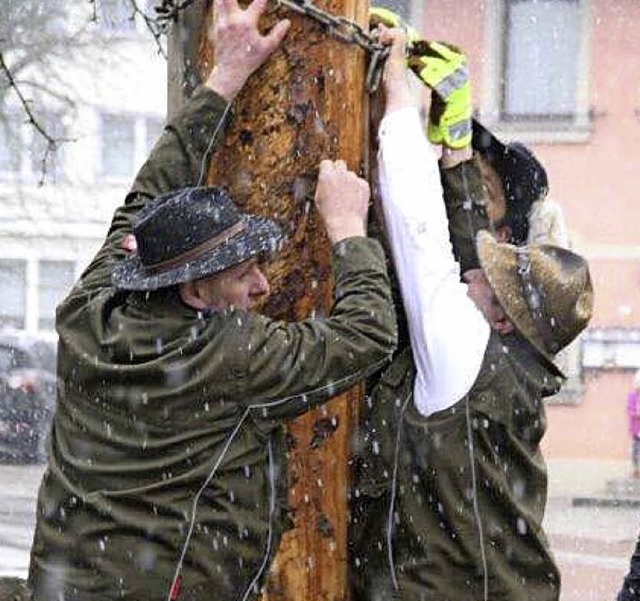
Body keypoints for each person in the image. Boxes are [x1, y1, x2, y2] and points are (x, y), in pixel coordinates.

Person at [27, 1, 398, 600]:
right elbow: (365, 337)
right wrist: (349, 231)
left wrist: (225, 77)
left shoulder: (91, 309)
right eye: (242, 274)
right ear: (196, 291)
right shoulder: (227, 353)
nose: (263, 287)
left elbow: (146, 199)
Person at [350, 26, 594, 601]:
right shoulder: (513, 361)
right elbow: (461, 253)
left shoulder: (469, 355)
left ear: (503, 322)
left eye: (492, 280)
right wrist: (452, 135)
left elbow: (423, 234)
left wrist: (399, 97)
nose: (473, 272)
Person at [627, 370, 640, 478]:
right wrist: (636, 414)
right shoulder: (632, 396)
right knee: (635, 450)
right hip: (636, 428)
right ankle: (636, 469)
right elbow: (630, 411)